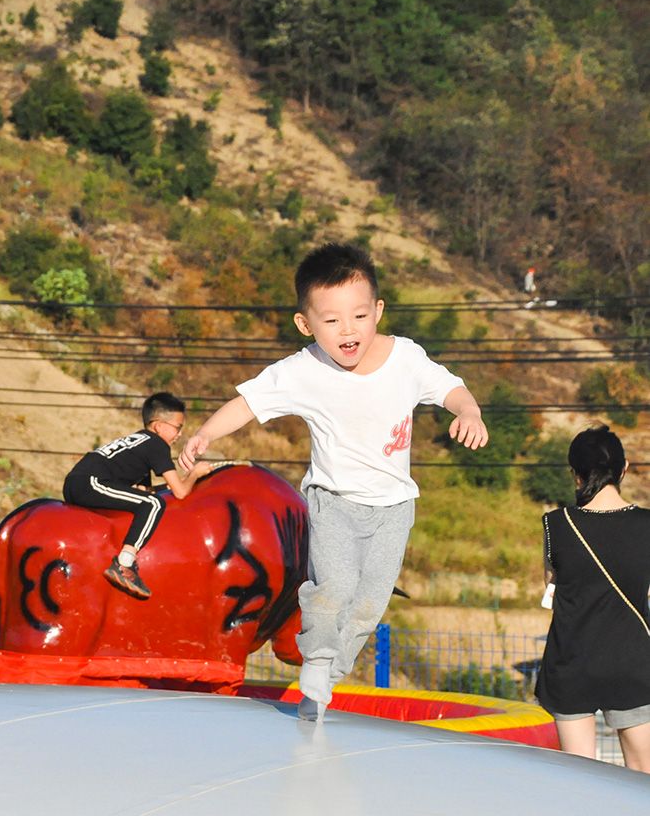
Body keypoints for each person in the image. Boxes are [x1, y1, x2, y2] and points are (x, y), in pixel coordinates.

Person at [179, 243, 488, 722]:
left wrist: (468, 409)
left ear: (378, 311)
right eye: (332, 321)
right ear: (306, 325)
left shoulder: (404, 357)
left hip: (393, 509)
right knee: (333, 588)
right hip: (333, 503)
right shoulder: (303, 370)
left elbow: (449, 387)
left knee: (368, 605)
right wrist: (204, 433)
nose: (349, 331)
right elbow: (248, 403)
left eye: (360, 316)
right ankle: (317, 658)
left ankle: (329, 673)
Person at [536, 426, 650, 772]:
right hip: (632, 664)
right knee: (643, 775)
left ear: (576, 475)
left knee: (581, 780)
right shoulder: (647, 524)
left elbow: (551, 583)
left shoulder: (556, 525)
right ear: (625, 469)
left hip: (571, 662)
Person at [63, 393, 212, 599]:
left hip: (78, 481)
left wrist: (174, 482)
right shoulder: (157, 445)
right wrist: (195, 474)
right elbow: (179, 492)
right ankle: (124, 563)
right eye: (178, 427)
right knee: (153, 504)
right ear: (159, 426)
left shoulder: (140, 442)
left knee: (148, 499)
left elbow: (144, 491)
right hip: (91, 483)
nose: (180, 434)